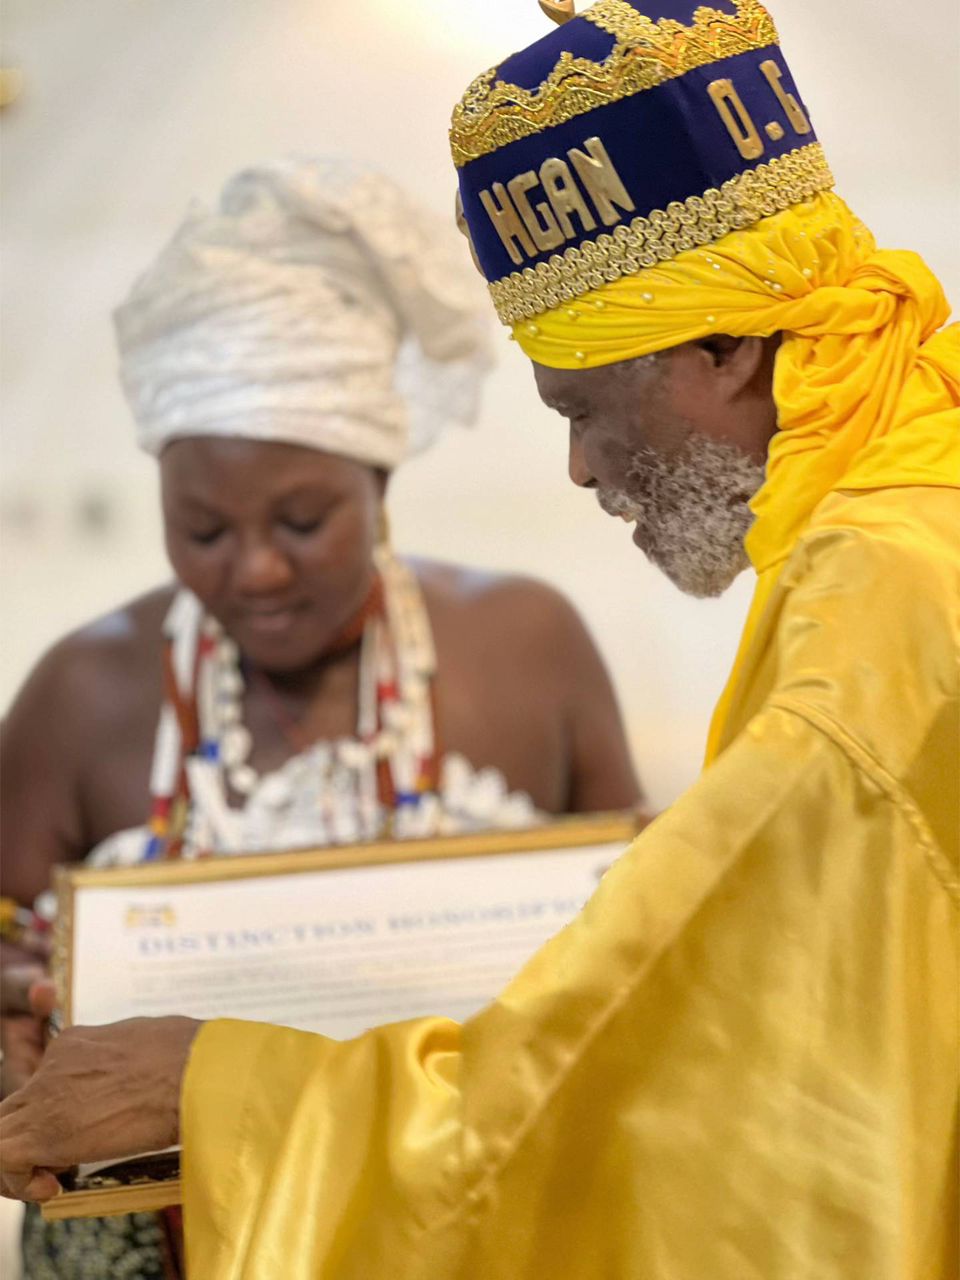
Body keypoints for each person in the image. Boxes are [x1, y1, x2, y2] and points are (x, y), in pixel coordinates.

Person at [2, 2, 958, 1276]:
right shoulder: (904, 513)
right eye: (203, 527)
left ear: (726, 346)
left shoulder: (871, 609)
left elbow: (702, 1094)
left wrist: (214, 1085)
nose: (576, 467)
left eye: (585, 406)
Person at [0, 157, 641, 1278]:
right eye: (201, 530)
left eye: (302, 520)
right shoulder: (80, 693)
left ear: (379, 484)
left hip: (465, 1226)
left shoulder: (528, 648)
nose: (253, 570)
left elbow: (643, 945)